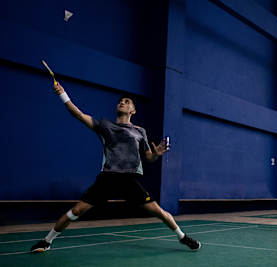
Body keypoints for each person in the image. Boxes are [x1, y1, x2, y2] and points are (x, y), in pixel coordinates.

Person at [30, 82, 200, 252]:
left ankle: (182, 237)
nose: (122, 103)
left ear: (133, 110)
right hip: (107, 178)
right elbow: (79, 114)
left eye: (127, 102)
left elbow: (149, 157)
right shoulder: (105, 126)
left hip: (129, 180)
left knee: (159, 212)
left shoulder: (140, 131)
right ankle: (47, 241)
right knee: (76, 210)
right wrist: (62, 94)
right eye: (121, 101)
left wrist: (157, 153)